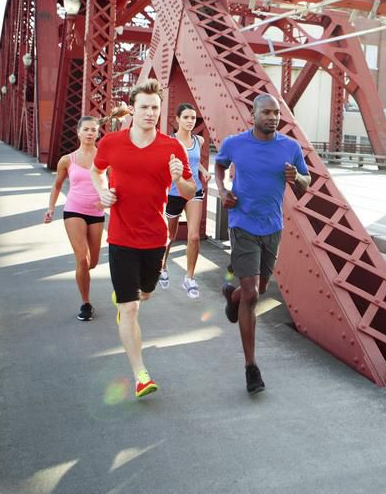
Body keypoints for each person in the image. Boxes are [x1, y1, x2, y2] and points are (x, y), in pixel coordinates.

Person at [90, 80, 195, 399]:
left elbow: (190, 193)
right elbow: (97, 171)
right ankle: (140, 375)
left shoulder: (172, 148)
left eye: (155, 108)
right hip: (121, 237)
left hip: (154, 237)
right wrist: (102, 192)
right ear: (132, 110)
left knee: (145, 294)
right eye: (144, 107)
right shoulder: (111, 142)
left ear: (161, 112)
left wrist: (178, 178)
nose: (150, 113)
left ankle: (132, 296)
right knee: (131, 307)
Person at [215, 94, 310, 394]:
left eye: (276, 113)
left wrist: (297, 178)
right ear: (253, 114)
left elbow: (307, 183)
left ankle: (233, 298)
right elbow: (219, 165)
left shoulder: (290, 147)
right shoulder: (235, 144)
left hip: (273, 227)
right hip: (242, 224)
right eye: (266, 112)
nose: (272, 117)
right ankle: (251, 367)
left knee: (259, 290)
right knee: (253, 295)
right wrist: (222, 190)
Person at [44, 117, 105, 322]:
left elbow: (115, 184)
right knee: (82, 258)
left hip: (97, 213)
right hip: (74, 210)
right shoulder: (67, 160)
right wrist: (51, 208)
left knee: (93, 262)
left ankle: (81, 274)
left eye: (94, 130)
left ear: (98, 133)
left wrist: (107, 201)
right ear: (78, 132)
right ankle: (86, 303)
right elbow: (57, 185)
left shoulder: (105, 159)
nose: (90, 133)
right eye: (86, 129)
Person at [160, 103, 211, 298]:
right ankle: (162, 266)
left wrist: (204, 172)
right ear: (178, 120)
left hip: (194, 191)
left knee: (194, 236)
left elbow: (195, 163)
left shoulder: (199, 140)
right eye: (186, 118)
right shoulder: (169, 142)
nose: (190, 121)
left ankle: (189, 278)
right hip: (174, 193)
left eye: (193, 118)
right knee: (169, 236)